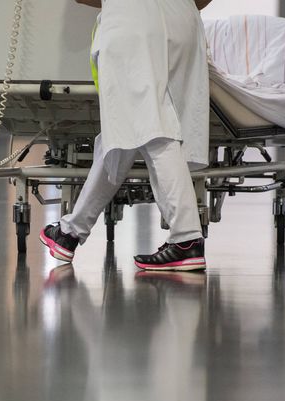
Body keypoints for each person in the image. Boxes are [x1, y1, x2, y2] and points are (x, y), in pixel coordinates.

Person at [39, 0, 213, 272]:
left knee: (155, 132)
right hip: (184, 20)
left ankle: (186, 238)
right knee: (124, 132)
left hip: (133, 23)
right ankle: (69, 232)